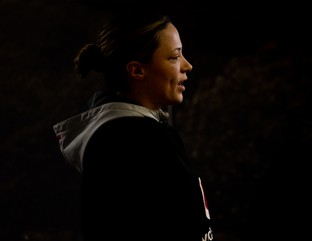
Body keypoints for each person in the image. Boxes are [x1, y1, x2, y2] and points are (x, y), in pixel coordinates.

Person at [53, 10, 214, 241]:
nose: (187, 66)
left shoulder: (125, 132)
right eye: (174, 57)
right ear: (137, 70)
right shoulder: (135, 139)